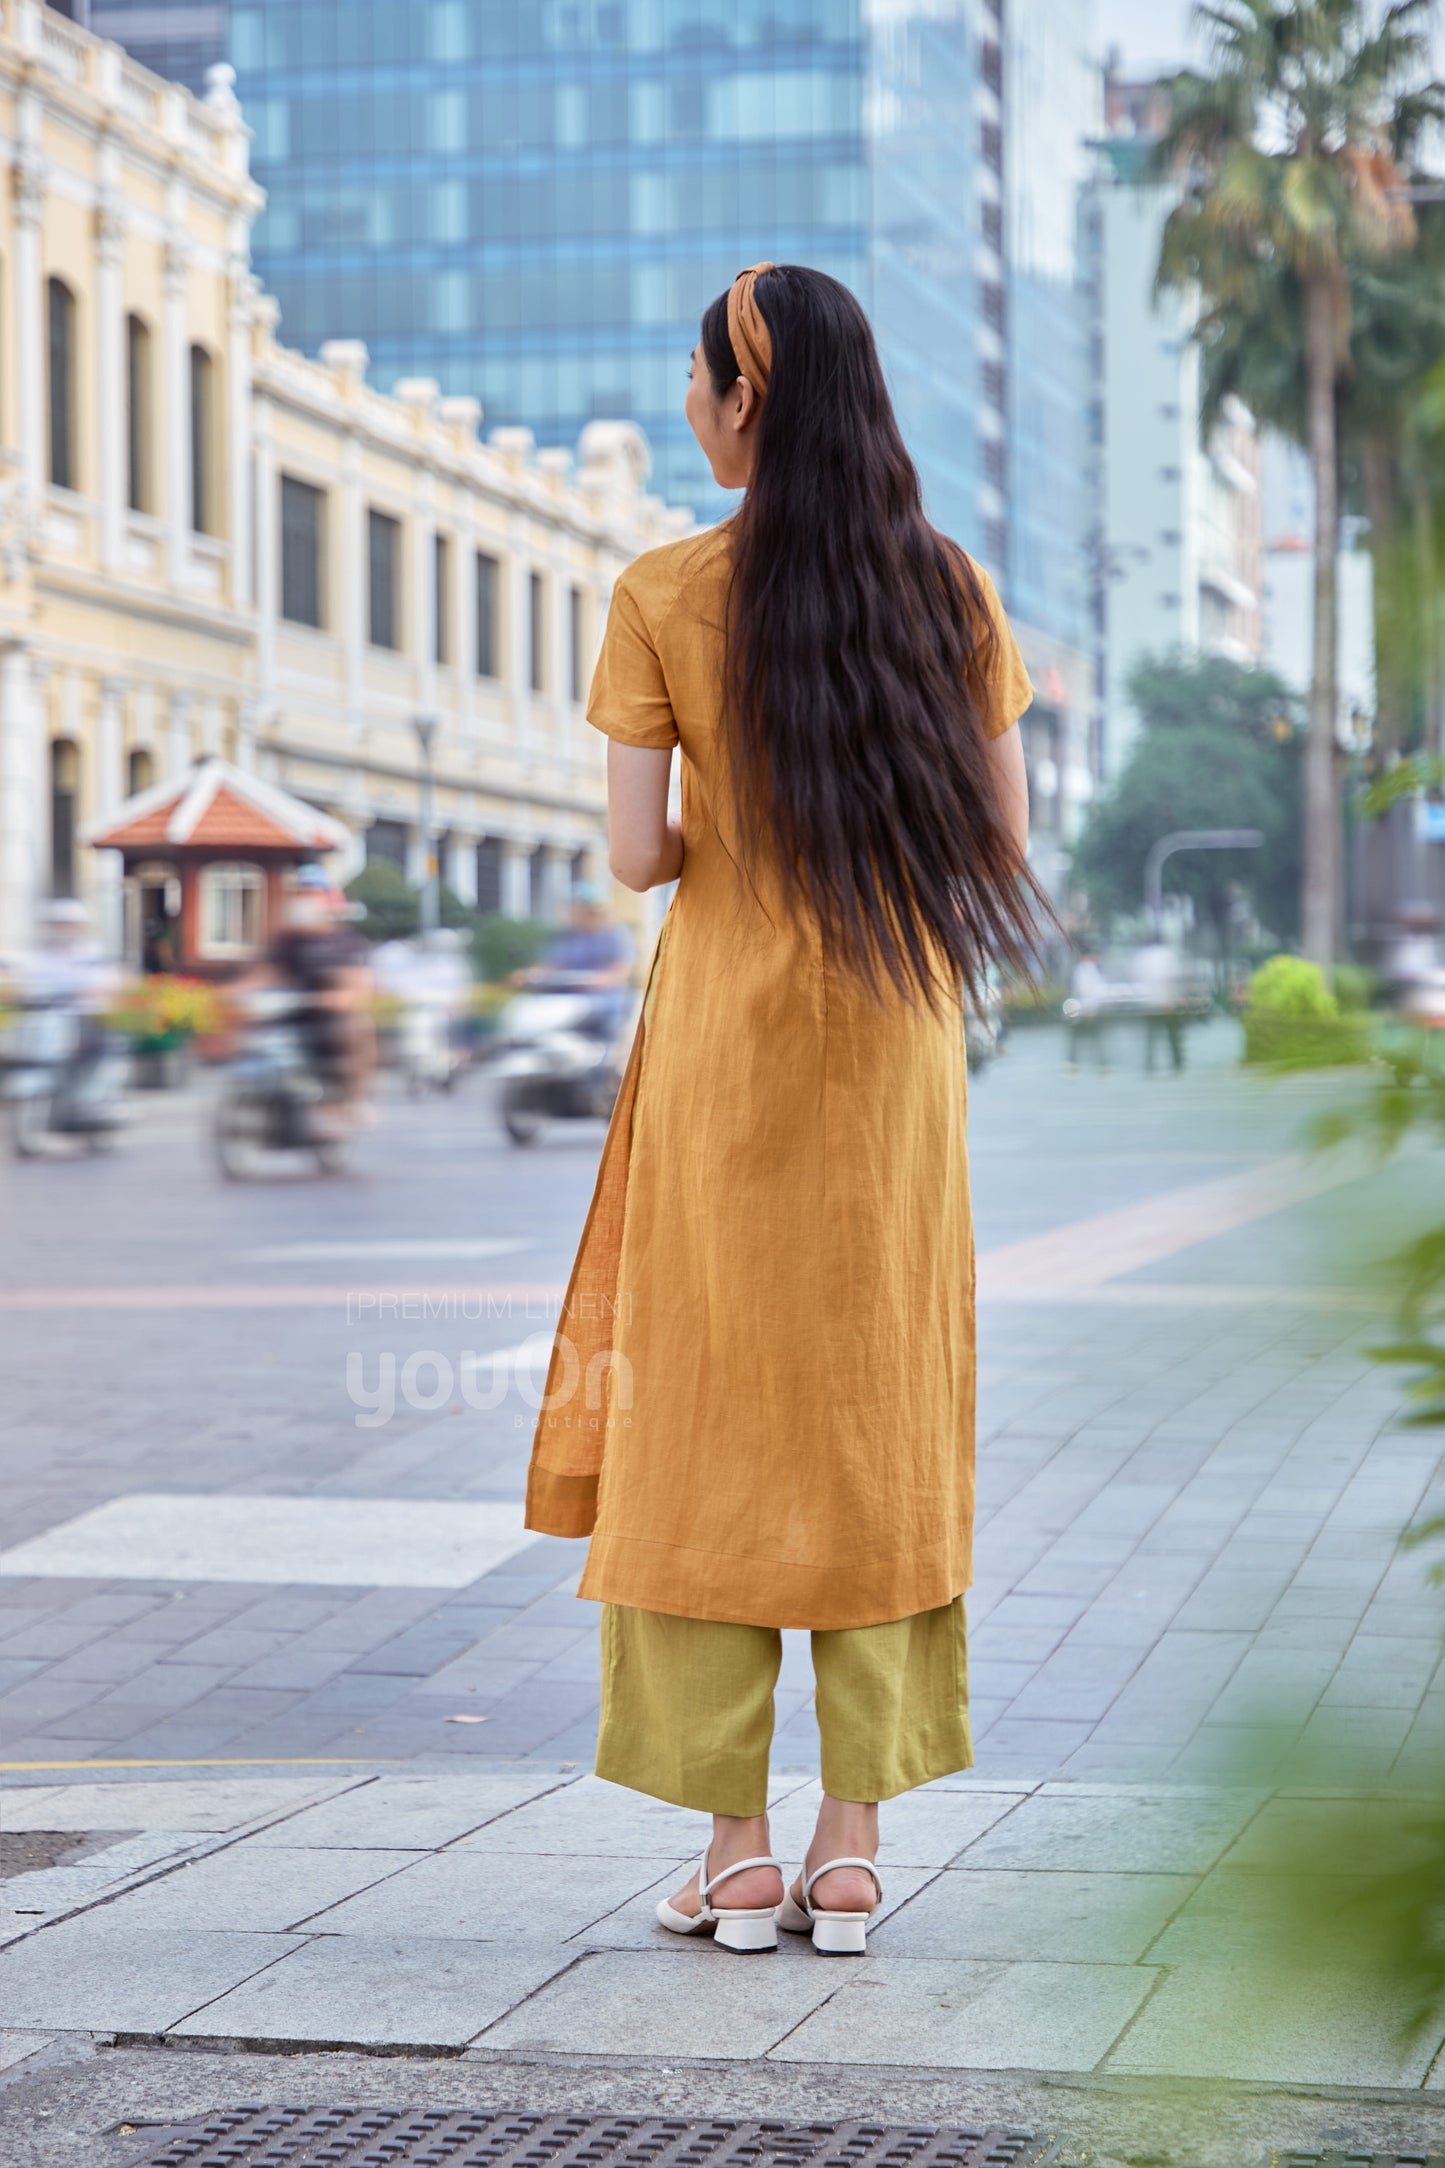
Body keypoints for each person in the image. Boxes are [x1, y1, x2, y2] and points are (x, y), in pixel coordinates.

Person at [524, 264, 1041, 1956]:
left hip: (727, 1036)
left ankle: (734, 1853)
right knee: (876, 1398)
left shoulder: (663, 588)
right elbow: (999, 846)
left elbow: (635, 854)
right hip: (895, 1037)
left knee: (706, 1411)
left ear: (748, 391)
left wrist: (723, 833)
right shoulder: (947, 591)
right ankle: (854, 1842)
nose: (686, 404)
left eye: (695, 378)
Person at [259, 866, 376, 1125]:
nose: (304, 901)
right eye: (300, 894)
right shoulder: (288, 941)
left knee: (352, 1030)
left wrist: (339, 998)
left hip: (328, 1018)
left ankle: (354, 1099)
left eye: (310, 894)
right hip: (289, 1013)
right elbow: (264, 973)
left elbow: (357, 986)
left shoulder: (344, 942)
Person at [511, 881, 636, 1042]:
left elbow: (620, 972)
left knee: (555, 1014)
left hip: (601, 1000)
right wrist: (529, 975)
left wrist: (595, 980)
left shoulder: (616, 935)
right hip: (567, 995)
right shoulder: (568, 937)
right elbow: (552, 965)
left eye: (576, 910)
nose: (571, 914)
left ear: (592, 911)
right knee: (524, 1010)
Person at [1136, 940, 1187, 1074]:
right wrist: (1173, 999)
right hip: (1165, 1002)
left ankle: (1149, 1065)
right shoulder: (1168, 955)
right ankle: (1177, 1063)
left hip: (1149, 1002)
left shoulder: (1143, 956)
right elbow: (1171, 979)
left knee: (1151, 1036)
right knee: (1172, 1035)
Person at [1064, 946, 1110, 1072]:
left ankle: (1074, 1062)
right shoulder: (1086, 969)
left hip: (1083, 1009)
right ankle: (1099, 1063)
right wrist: (1091, 1009)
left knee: (1080, 1038)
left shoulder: (1085, 969)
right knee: (1092, 1038)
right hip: (1086, 1009)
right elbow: (1087, 991)